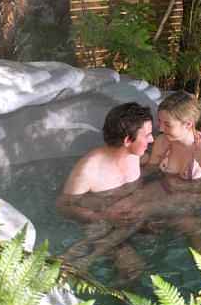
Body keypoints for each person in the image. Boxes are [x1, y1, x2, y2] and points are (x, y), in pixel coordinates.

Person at [105, 91, 201, 256]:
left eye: (167, 124)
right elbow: (151, 169)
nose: (160, 128)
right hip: (163, 188)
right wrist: (124, 181)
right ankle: (118, 248)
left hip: (189, 196)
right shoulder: (164, 140)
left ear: (188, 124)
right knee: (118, 205)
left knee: (141, 210)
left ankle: (99, 253)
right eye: (160, 122)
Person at [56, 102, 154, 279]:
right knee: (133, 269)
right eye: (147, 135)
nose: (152, 140)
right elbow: (63, 206)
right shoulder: (89, 170)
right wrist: (104, 217)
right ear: (127, 140)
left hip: (129, 218)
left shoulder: (136, 155)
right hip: (101, 225)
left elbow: (153, 163)